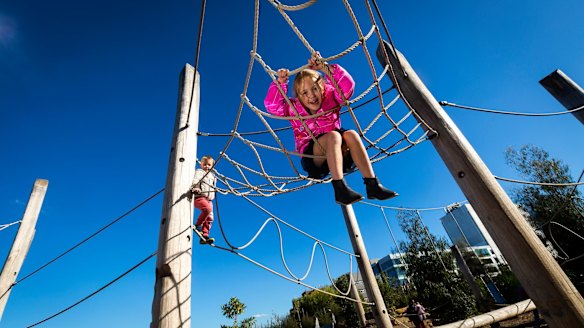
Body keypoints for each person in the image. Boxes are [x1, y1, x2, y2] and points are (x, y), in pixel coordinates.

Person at [264, 52, 398, 205]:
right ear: (299, 97)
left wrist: (326, 69)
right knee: (334, 136)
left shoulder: (331, 97)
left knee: (352, 135)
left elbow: (348, 88)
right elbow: (272, 106)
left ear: (322, 88)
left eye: (314, 89)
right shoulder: (293, 108)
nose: (311, 96)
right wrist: (280, 83)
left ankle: (372, 184)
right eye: (304, 93)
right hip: (314, 157)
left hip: (339, 151)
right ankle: (340, 189)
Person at [191, 155, 217, 244]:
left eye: (209, 165)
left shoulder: (213, 176)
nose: (207, 166)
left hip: (209, 199)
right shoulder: (200, 172)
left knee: (210, 218)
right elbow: (196, 180)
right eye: (204, 164)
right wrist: (196, 187)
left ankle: (204, 235)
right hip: (199, 196)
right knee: (207, 209)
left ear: (212, 166)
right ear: (201, 164)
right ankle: (198, 225)